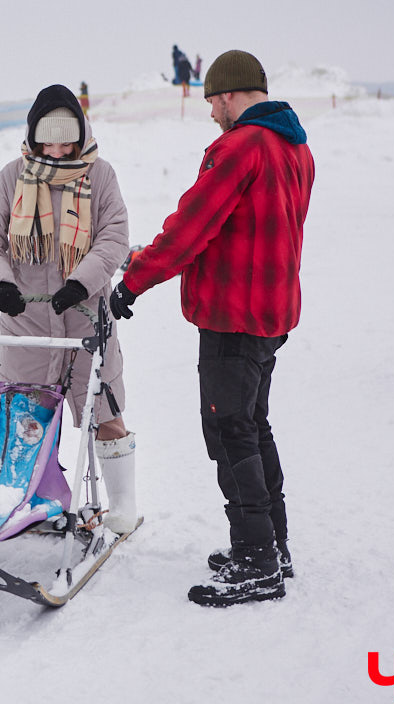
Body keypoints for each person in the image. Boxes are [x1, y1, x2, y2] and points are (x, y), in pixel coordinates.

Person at [110, 50, 314, 607]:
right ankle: (274, 545)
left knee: (230, 431)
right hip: (272, 311)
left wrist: (134, 281)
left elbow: (191, 228)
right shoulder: (296, 147)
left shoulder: (240, 147)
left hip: (234, 314)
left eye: (211, 102)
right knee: (253, 425)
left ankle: (255, 562)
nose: (210, 114)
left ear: (228, 95)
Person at [0, 83, 138, 535]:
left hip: (86, 320)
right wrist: (1, 283)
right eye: (50, 139)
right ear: (34, 134)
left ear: (81, 136)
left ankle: (122, 506)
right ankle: (32, 503)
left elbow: (113, 238)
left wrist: (80, 282)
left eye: (68, 140)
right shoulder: (11, 178)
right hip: (26, 322)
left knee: (103, 411)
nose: (60, 149)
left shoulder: (100, 176)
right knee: (27, 421)